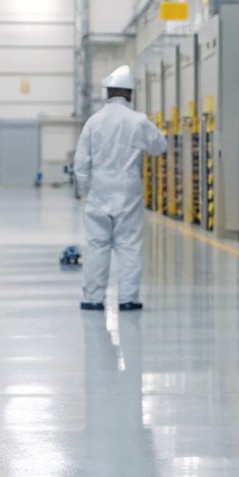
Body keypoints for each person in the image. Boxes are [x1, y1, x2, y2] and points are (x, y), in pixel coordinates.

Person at [73, 65, 168, 313]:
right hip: (128, 189)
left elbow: (81, 163)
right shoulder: (138, 121)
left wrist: (85, 191)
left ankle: (93, 298)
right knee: (129, 245)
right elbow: (160, 145)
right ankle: (128, 298)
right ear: (130, 94)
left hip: (99, 189)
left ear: (108, 93)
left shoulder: (93, 122)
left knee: (96, 246)